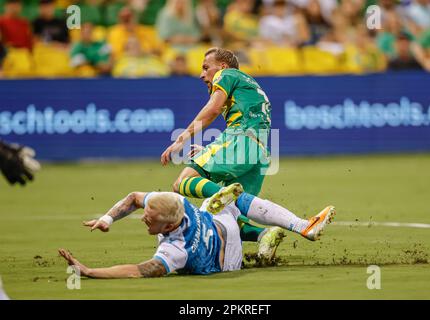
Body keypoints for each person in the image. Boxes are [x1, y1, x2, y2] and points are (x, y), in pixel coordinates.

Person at [59, 183, 336, 278]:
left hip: (228, 260)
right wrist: (107, 218)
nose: (143, 217)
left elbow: (138, 270)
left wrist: (90, 271)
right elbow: (134, 197)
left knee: (220, 206)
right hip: (216, 224)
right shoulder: (176, 203)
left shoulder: (175, 249)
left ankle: (261, 236)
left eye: (149, 217)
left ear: (168, 227)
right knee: (232, 202)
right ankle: (297, 227)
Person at [160, 47, 280, 259]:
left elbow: (213, 109)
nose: (201, 75)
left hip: (241, 140)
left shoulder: (228, 74)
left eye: (206, 68)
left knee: (183, 182)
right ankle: (266, 234)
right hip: (259, 150)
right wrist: (209, 150)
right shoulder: (248, 85)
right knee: (235, 221)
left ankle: (218, 198)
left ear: (222, 67)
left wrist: (181, 139)